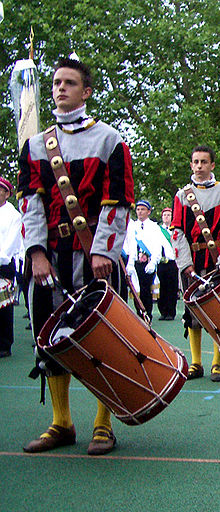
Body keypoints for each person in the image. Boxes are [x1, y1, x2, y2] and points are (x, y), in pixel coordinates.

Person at [19, 57, 134, 455]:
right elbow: (30, 203)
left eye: (69, 83)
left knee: (103, 338)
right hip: (50, 255)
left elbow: (117, 201)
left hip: (94, 255)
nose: (60, 88)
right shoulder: (34, 146)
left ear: (86, 92)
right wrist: (36, 253)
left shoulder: (110, 140)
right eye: (55, 83)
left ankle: (104, 424)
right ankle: (62, 423)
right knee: (49, 337)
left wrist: (103, 250)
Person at [171, 145, 220, 382]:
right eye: (195, 162)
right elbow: (177, 231)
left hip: (216, 260)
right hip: (191, 260)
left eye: (203, 162)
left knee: (217, 312)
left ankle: (217, 364)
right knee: (192, 312)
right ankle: (196, 362)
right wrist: (185, 263)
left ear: (212, 165)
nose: (199, 166)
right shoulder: (182, 195)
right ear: (191, 165)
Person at [123, 200, 172, 320]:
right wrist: (130, 263)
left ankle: (147, 314)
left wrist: (153, 262)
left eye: (143, 209)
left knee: (146, 291)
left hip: (148, 262)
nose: (140, 212)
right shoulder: (132, 226)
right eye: (138, 209)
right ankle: (139, 314)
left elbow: (157, 246)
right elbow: (129, 244)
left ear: (149, 211)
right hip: (135, 262)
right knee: (135, 290)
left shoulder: (154, 227)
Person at [0, 176, 23, 358]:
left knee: (3, 306)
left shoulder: (14, 215)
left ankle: (4, 344)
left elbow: (12, 242)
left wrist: (2, 258)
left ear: (7, 193)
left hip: (4, 264)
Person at [156, 207, 179, 320]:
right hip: (161, 262)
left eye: (169, 215)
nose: (166, 217)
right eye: (164, 215)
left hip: (172, 262)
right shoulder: (158, 230)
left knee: (172, 287)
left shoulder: (176, 230)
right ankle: (163, 311)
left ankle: (171, 312)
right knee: (162, 287)